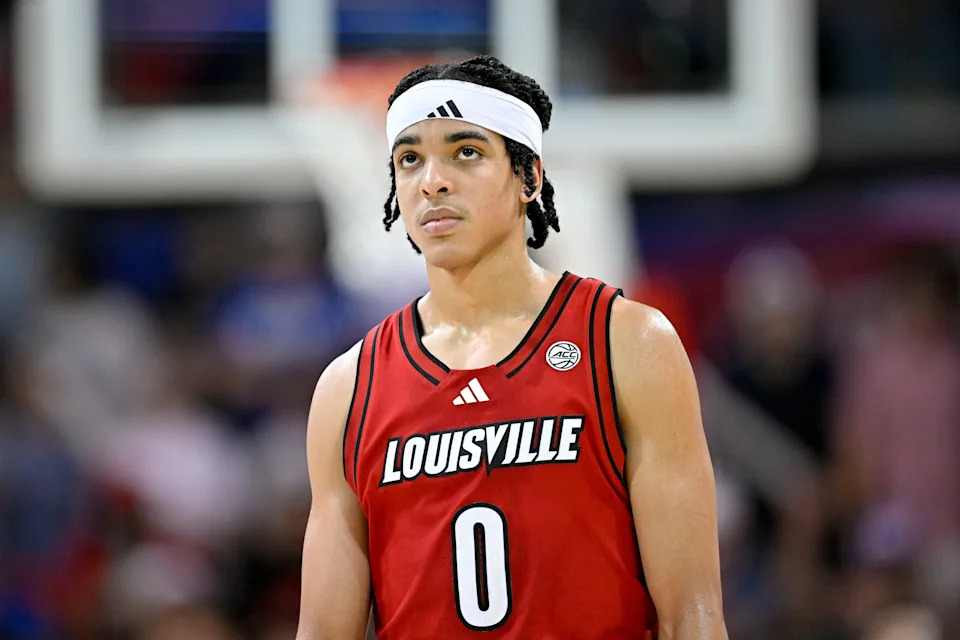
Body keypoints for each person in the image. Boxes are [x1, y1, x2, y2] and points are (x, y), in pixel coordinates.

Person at [296, 55, 726, 639]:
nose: (433, 181)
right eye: (410, 159)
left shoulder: (626, 343)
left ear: (528, 177)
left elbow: (692, 616)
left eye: (465, 152)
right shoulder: (349, 388)